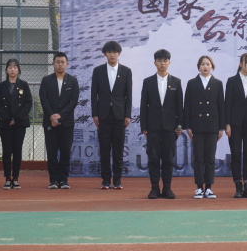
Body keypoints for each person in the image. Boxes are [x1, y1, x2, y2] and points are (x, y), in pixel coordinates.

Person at [139, 49, 183, 199]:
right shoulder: (148, 82)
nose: (162, 63)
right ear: (154, 63)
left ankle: (167, 188)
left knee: (168, 159)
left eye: (165, 61)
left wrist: (179, 125)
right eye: (159, 61)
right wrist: (144, 126)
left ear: (169, 62)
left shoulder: (176, 82)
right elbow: (144, 105)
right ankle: (154, 188)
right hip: (153, 127)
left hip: (170, 127)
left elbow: (179, 106)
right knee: (153, 159)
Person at [90, 41, 132, 190]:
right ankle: (106, 180)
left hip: (120, 115)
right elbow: (93, 94)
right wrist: (95, 114)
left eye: (114, 52)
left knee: (118, 149)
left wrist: (128, 115)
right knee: (104, 149)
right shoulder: (98, 71)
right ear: (105, 54)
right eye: (109, 52)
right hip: (103, 115)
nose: (112, 55)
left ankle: (118, 180)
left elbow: (128, 95)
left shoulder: (126, 71)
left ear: (119, 53)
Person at [184, 55, 225, 199]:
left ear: (212, 66)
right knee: (198, 158)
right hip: (197, 125)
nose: (205, 66)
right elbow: (187, 106)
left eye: (208, 64)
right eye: (202, 64)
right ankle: (199, 188)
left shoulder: (218, 83)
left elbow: (221, 106)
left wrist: (221, 128)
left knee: (210, 158)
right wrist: (188, 126)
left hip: (212, 125)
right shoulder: (192, 83)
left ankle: (209, 187)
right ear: (198, 67)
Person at [39, 52, 80, 189]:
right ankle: (53, 180)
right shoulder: (46, 80)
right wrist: (52, 116)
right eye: (58, 62)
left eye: (62, 62)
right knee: (51, 152)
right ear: (53, 63)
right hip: (50, 122)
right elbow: (43, 99)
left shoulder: (73, 81)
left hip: (66, 123)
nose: (60, 64)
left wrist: (60, 116)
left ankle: (63, 180)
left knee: (65, 152)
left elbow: (73, 101)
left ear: (67, 64)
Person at [224, 53, 247, 198]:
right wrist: (227, 124)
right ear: (241, 64)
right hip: (235, 123)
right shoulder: (232, 81)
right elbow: (227, 103)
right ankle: (238, 187)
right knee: (235, 154)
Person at [0, 59, 32, 190]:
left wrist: (17, 118)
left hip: (20, 123)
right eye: (10, 67)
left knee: (17, 150)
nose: (12, 69)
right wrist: (6, 118)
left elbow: (28, 103)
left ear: (18, 70)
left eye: (15, 67)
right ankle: (7, 178)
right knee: (6, 151)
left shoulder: (24, 85)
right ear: (6, 70)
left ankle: (15, 178)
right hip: (5, 123)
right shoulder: (1, 86)